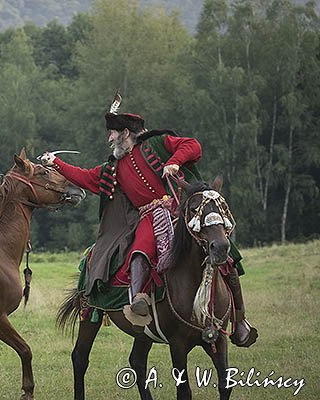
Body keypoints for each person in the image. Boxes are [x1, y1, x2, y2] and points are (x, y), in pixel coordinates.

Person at [39, 92, 257, 347]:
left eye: (112, 133)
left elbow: (193, 146)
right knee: (140, 250)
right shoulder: (114, 168)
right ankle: (140, 298)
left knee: (225, 255)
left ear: (125, 133)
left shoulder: (158, 143)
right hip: (149, 217)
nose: (109, 139)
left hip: (183, 211)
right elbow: (86, 178)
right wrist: (56, 163)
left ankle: (240, 319)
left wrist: (174, 162)